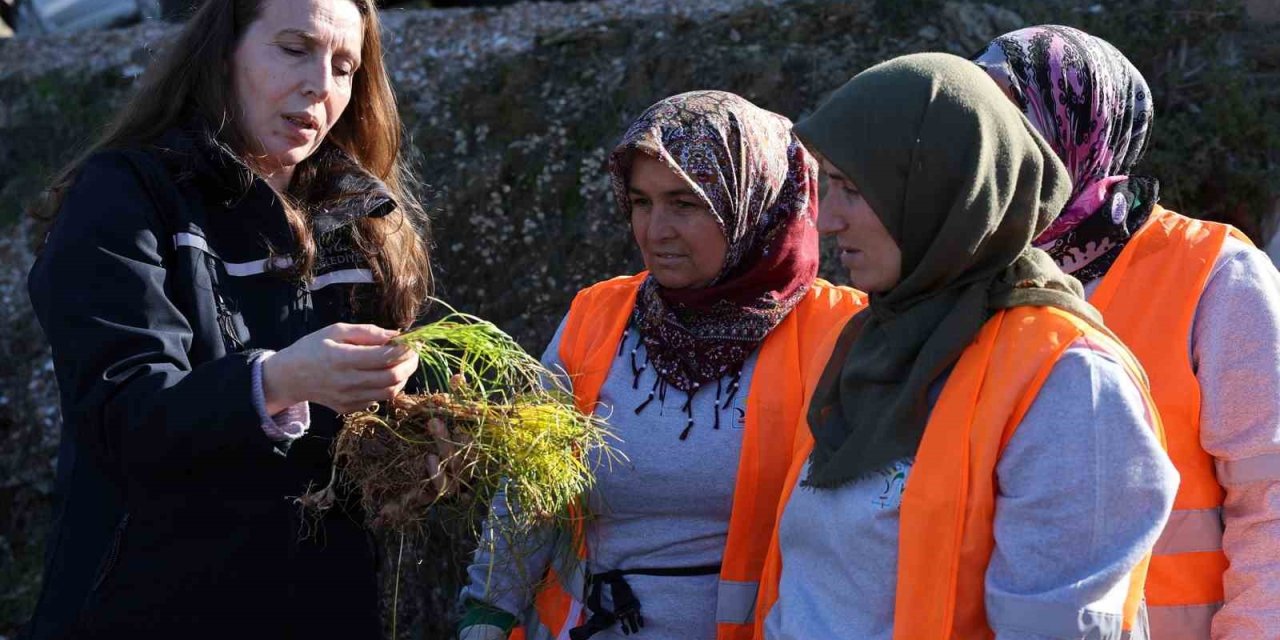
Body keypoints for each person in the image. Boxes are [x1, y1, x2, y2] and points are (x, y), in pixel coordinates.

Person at [24, 0, 431, 637]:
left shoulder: (365, 220)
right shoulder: (126, 196)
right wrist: (279, 380)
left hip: (324, 606)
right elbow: (122, 413)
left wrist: (431, 422)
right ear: (222, 53)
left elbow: (376, 433)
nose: (320, 85)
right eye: (294, 48)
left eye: (345, 66)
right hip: (148, 608)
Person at [753, 53, 1178, 639]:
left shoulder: (1069, 379)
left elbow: (1060, 626)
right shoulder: (870, 342)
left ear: (941, 188)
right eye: (827, 185)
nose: (827, 220)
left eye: (853, 188)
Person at [456, 90, 865, 640]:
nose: (655, 230)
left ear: (754, 203)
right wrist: (487, 610)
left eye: (685, 203)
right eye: (641, 201)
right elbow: (530, 487)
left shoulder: (837, 331)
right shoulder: (597, 315)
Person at [973, 25, 1280, 638]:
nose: (982, 142)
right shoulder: (970, 272)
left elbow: (1270, 504)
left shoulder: (1216, 272)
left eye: (1005, 114)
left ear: (1074, 126)